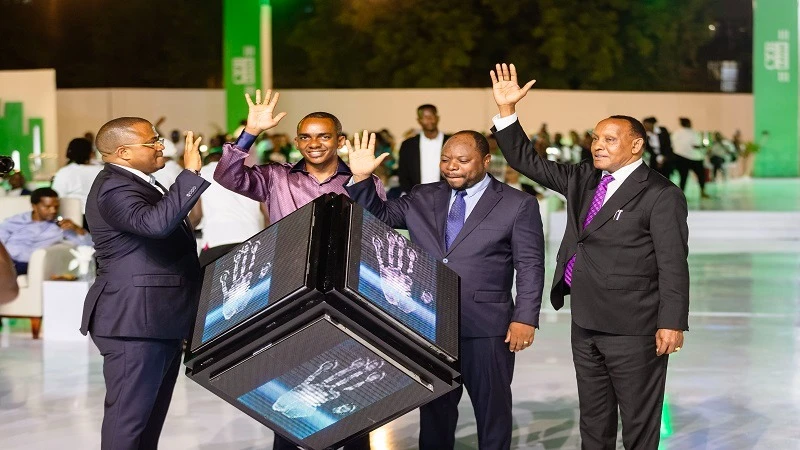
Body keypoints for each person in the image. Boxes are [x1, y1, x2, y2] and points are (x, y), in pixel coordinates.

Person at [489, 63, 689, 450]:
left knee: (638, 424)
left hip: (635, 327)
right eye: (596, 138)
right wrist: (507, 113)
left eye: (610, 139)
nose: (598, 145)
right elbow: (527, 163)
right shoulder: (583, 178)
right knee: (594, 421)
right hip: (585, 320)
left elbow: (673, 263)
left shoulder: (661, 195)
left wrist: (672, 322)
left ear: (636, 145)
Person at [346, 129, 545, 450]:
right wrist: (361, 178)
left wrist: (525, 317)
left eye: (463, 160)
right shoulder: (423, 195)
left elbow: (531, 266)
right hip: (431, 326)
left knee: (492, 411)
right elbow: (378, 216)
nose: (452, 166)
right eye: (446, 159)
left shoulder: (517, 204)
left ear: (485, 161)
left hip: (488, 328)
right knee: (435, 413)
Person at [214, 89, 384, 450]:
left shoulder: (361, 180)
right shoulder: (276, 177)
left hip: (347, 298)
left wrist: (364, 179)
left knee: (345, 388)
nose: (314, 143)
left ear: (339, 140)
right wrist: (250, 132)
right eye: (306, 136)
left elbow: (378, 231)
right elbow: (227, 177)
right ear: (296, 142)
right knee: (288, 385)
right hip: (289, 297)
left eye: (324, 136)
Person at [79, 118, 210, 450]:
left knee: (148, 424)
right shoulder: (113, 185)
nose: (161, 146)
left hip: (158, 319)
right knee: (129, 424)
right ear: (123, 152)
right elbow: (156, 224)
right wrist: (190, 175)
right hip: (133, 322)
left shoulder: (143, 182)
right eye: (152, 142)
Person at [193, 149, 266, 267]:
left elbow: (196, 216)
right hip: (252, 238)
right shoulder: (249, 173)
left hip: (216, 241)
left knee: (204, 282)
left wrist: (181, 231)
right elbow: (267, 213)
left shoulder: (202, 174)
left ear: (206, 162)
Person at [0, 187, 92, 275]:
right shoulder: (17, 220)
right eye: (47, 207)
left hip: (30, 265)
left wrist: (77, 228)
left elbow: (89, 246)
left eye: (56, 207)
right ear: (34, 206)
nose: (53, 211)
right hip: (7, 262)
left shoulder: (61, 226)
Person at [396, 104, 451, 194]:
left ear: (437, 118)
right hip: (416, 197)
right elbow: (403, 173)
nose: (429, 119)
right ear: (419, 120)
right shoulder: (408, 145)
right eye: (424, 117)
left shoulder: (450, 142)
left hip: (446, 195)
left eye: (431, 115)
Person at [51, 137, 104, 227]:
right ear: (90, 153)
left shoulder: (65, 172)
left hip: (73, 220)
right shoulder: (102, 170)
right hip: (102, 218)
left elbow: (56, 196)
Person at [671, 117, 710, 198]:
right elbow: (696, 145)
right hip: (694, 157)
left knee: (683, 177)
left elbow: (672, 145)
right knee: (700, 175)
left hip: (680, 157)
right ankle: (702, 192)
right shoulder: (693, 133)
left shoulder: (676, 133)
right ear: (689, 123)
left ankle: (681, 194)